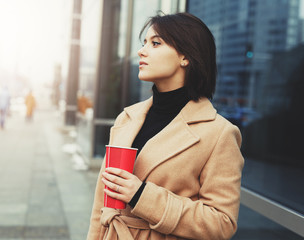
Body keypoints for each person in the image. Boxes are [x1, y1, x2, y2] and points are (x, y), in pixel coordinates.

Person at [87, 12, 244, 240]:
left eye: (156, 43)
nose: (141, 51)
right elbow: (101, 204)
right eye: (144, 43)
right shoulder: (127, 118)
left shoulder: (219, 133)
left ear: (185, 57)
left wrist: (142, 196)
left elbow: (222, 222)